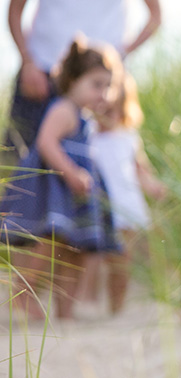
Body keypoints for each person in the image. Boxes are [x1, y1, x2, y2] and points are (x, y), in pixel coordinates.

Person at [6, 0, 161, 155]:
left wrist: (119, 58)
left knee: (99, 173)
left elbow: (155, 15)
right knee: (19, 170)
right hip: (41, 77)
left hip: (101, 88)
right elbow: (15, 11)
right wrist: (28, 62)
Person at [0, 37, 121, 320]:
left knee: (74, 249)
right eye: (96, 85)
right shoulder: (63, 109)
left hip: (72, 195)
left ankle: (66, 309)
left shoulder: (84, 118)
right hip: (52, 191)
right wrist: (71, 172)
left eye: (108, 86)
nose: (103, 93)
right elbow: (46, 143)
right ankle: (24, 294)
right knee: (46, 245)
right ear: (72, 80)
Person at [81, 71, 167, 314]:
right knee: (93, 258)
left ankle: (115, 307)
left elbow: (140, 169)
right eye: (103, 110)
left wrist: (153, 187)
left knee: (122, 262)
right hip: (98, 206)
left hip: (126, 206)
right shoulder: (89, 136)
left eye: (114, 110)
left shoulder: (128, 137)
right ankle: (87, 304)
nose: (107, 116)